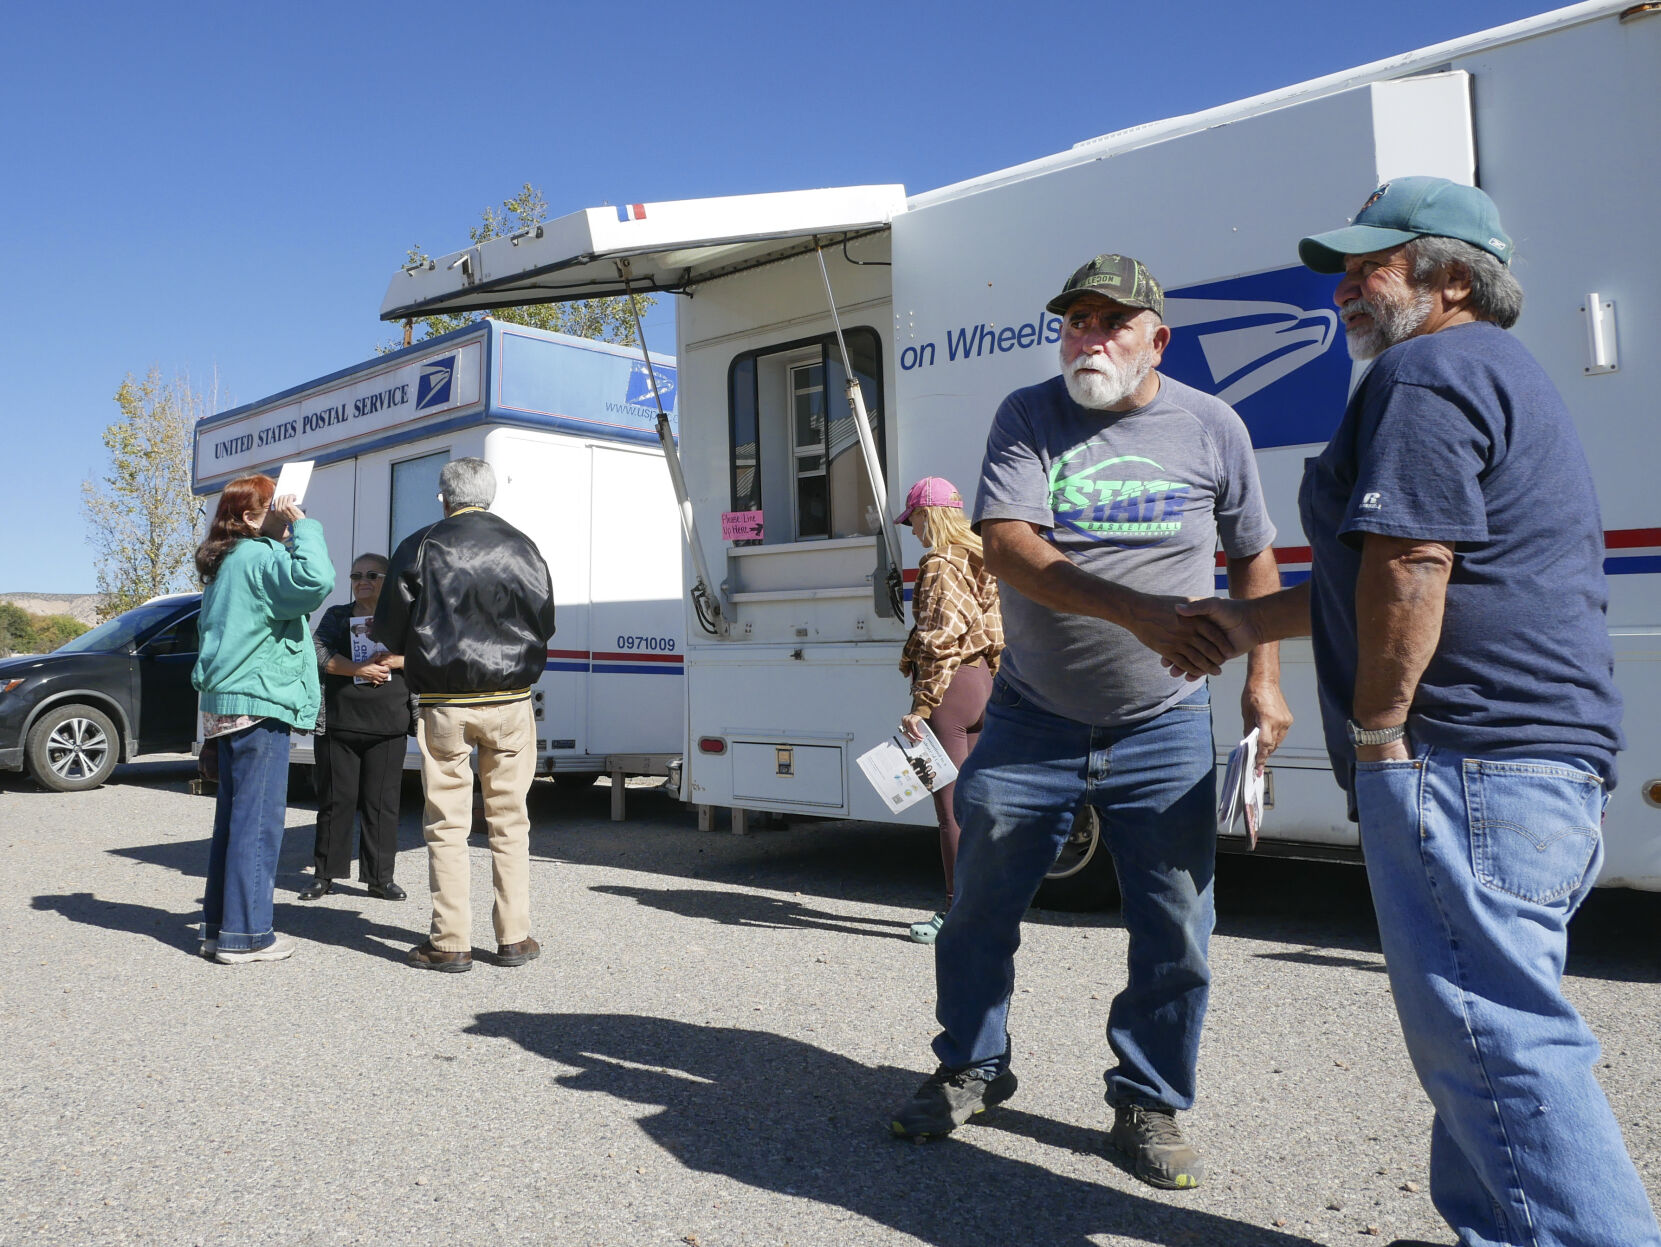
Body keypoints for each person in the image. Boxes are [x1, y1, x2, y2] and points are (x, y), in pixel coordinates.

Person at [1169, 177, 1661, 1246]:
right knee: (1473, 1038)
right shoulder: (1489, 370)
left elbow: (1411, 559)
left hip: (1460, 754)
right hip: (1526, 764)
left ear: (1448, 277)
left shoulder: (1424, 368)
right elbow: (1381, 571)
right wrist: (1240, 622)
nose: (1344, 284)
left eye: (1368, 263)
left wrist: (1379, 727)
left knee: (1494, 1038)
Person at [888, 254, 1288, 1194]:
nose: (1088, 337)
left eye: (1111, 322)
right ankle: (973, 1065)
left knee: (1175, 924)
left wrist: (1261, 681)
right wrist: (1137, 612)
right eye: (1075, 322)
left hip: (1163, 720)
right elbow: (1012, 549)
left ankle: (1146, 1100)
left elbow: (1253, 557)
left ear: (1158, 338)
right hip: (1031, 714)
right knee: (978, 907)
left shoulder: (1211, 425)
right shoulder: (1028, 415)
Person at [373, 458, 557, 973]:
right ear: (490, 496)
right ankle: (514, 937)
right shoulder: (524, 546)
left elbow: (390, 627)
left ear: (444, 497)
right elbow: (546, 620)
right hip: (512, 699)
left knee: (447, 824)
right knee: (510, 821)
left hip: (445, 703)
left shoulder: (420, 544)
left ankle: (450, 941)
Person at [192, 475, 334, 965]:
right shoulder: (259, 557)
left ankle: (219, 927)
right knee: (259, 822)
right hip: (259, 700)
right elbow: (315, 583)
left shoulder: (227, 562)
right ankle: (249, 936)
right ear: (252, 517)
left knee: (234, 820)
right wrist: (306, 527)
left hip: (227, 701)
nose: (289, 507)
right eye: (279, 504)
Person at [894, 476, 1003, 945]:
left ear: (929, 516)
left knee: (950, 811)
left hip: (950, 692)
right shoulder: (984, 558)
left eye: (915, 519)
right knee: (977, 808)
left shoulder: (939, 564)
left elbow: (940, 640)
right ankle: (986, 908)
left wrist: (922, 705)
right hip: (981, 685)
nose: (913, 531)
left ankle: (956, 915)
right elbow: (996, 631)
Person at [300, 553, 416, 902]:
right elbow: (315, 652)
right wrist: (358, 670)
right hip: (340, 723)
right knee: (336, 802)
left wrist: (397, 660)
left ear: (389, 579)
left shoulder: (405, 618)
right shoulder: (338, 616)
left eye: (371, 574)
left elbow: (430, 655)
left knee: (382, 805)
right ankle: (324, 875)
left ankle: (380, 878)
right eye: (355, 575)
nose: (362, 580)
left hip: (388, 724)